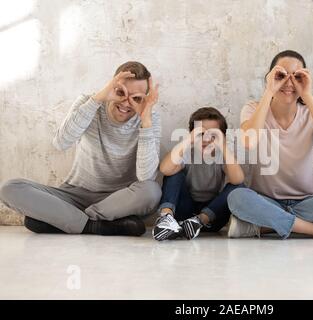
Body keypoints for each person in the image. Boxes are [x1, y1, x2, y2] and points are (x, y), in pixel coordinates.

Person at [0, 61, 162, 236]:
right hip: (74, 196)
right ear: (112, 86)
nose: (126, 102)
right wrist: (98, 99)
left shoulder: (149, 118)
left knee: (151, 191)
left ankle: (69, 221)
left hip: (118, 201)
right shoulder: (89, 102)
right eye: (120, 92)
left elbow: (146, 177)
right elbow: (61, 142)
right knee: (10, 188)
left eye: (136, 98)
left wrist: (145, 121)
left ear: (144, 99)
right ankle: (95, 225)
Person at [227, 50, 313, 241]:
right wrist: (269, 92)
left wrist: (308, 96)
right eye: (281, 76)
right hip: (266, 200)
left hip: (308, 200)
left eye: (297, 77)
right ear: (270, 77)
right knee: (236, 197)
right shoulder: (253, 108)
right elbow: (249, 142)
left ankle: (264, 227)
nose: (289, 83)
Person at [153, 107, 245, 240]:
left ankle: (198, 221)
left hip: (211, 217)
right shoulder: (187, 152)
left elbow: (238, 180)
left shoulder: (222, 154)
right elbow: (165, 169)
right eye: (201, 134)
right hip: (184, 212)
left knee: (238, 187)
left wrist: (223, 146)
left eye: (213, 135)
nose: (206, 139)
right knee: (173, 174)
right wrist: (188, 141)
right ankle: (166, 218)